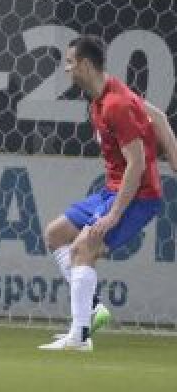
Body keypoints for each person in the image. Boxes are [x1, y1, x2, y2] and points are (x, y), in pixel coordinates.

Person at [38, 35, 177, 351]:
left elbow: (137, 164)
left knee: (84, 248)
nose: (66, 70)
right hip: (111, 190)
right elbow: (159, 117)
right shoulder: (107, 94)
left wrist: (114, 215)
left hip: (137, 196)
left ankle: (80, 336)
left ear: (85, 65)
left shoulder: (116, 105)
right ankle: (92, 310)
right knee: (56, 234)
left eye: (70, 63)